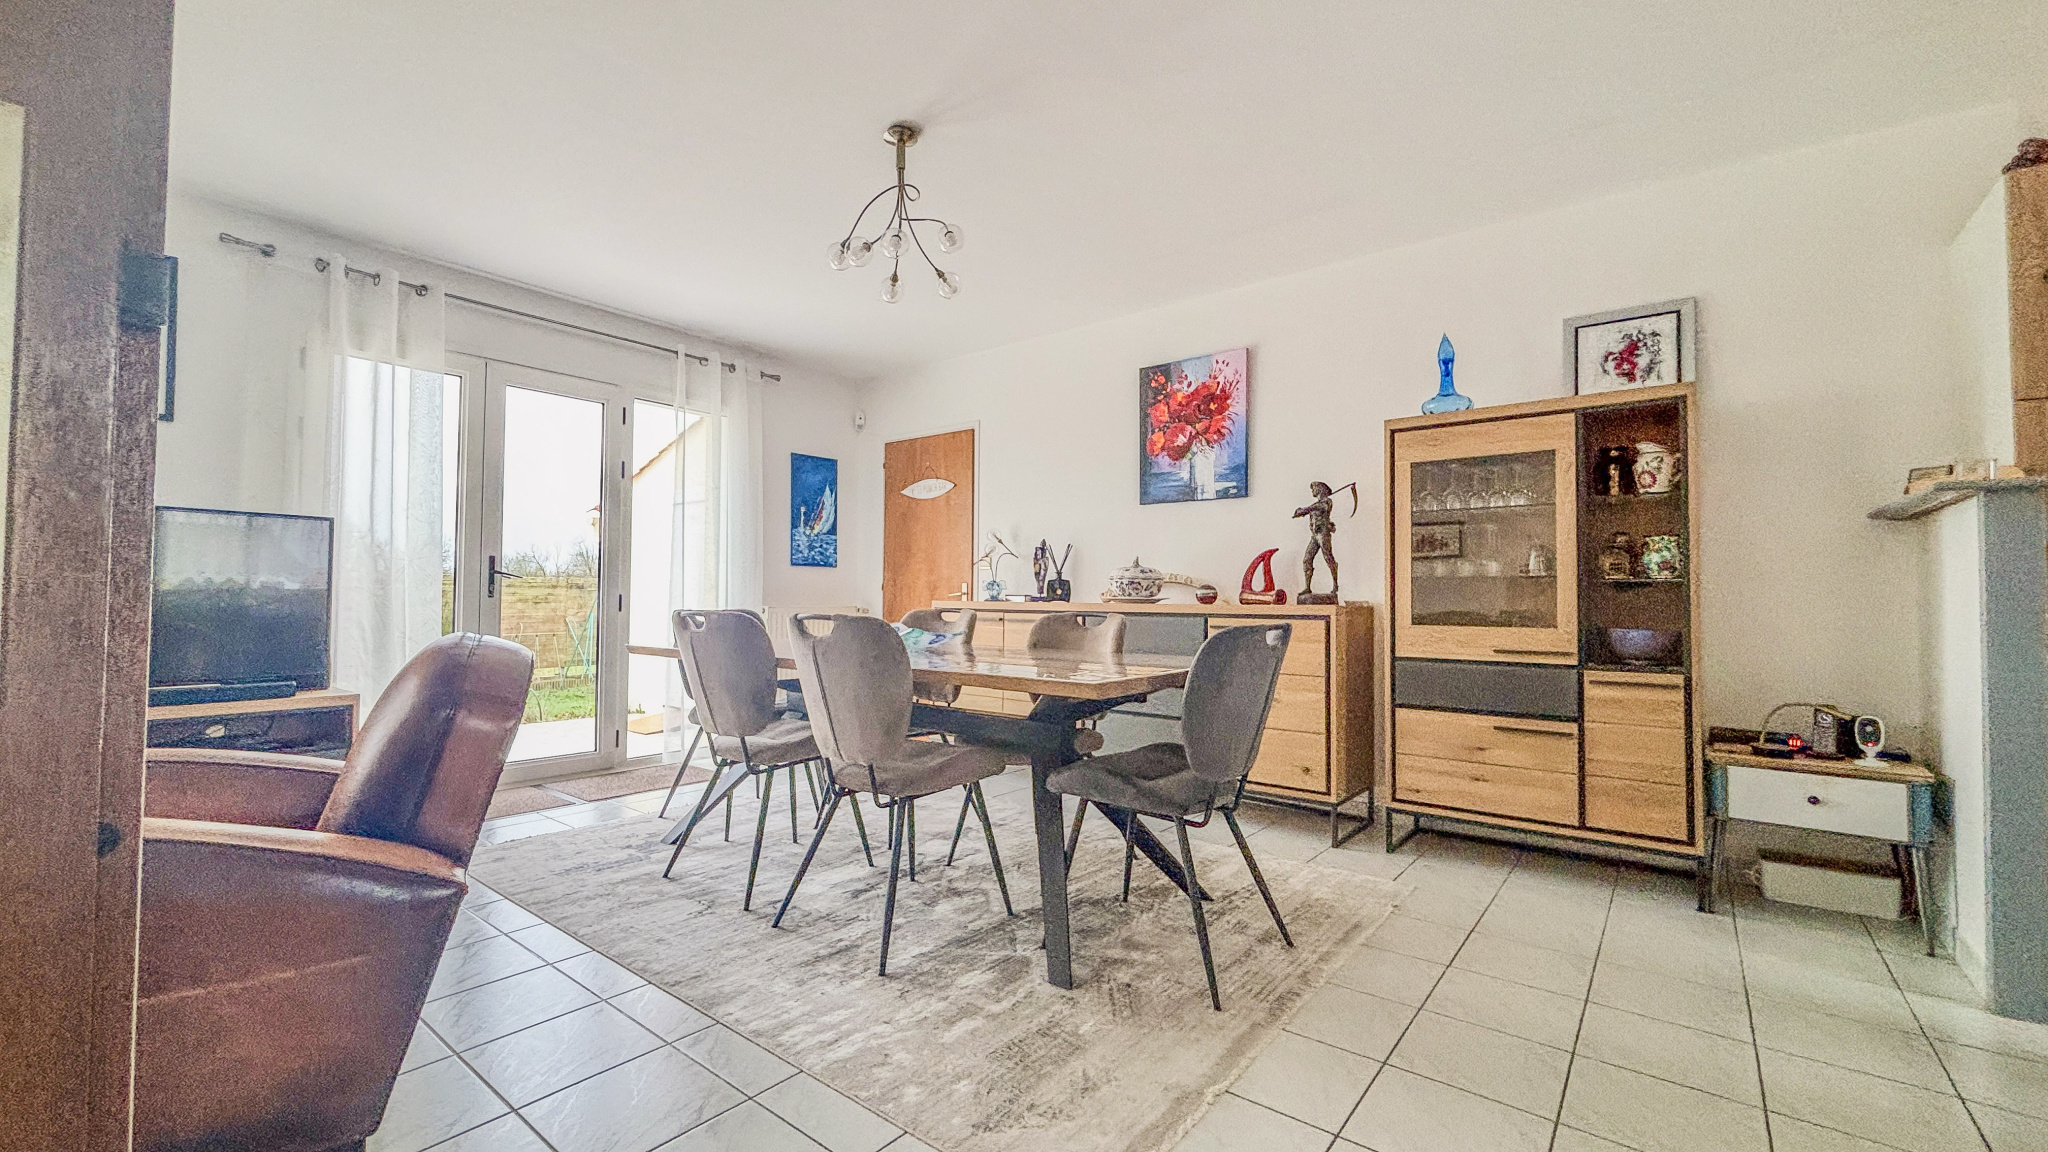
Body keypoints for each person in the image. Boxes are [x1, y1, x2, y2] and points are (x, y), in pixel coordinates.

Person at [1293, 481, 1339, 600]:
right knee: (1307, 559)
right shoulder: (1316, 504)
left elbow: (1320, 507)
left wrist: (1304, 510)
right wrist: (1302, 511)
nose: (1313, 491)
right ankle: (1307, 587)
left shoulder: (1326, 502)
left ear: (1320, 489)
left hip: (1323, 534)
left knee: (1328, 557)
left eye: (1314, 488)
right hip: (1315, 535)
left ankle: (1335, 585)